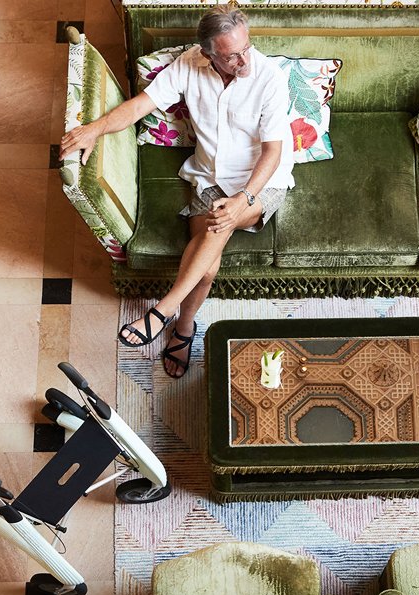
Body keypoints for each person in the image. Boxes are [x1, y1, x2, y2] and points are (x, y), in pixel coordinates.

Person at [59, 5, 293, 378]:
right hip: (210, 177)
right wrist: (95, 128)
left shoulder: (270, 79)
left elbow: (273, 153)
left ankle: (164, 312)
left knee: (219, 224)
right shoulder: (189, 65)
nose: (244, 60)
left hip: (261, 183)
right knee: (206, 267)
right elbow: (140, 106)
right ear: (209, 54)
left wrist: (244, 200)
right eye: (232, 56)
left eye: (246, 48)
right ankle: (185, 328)